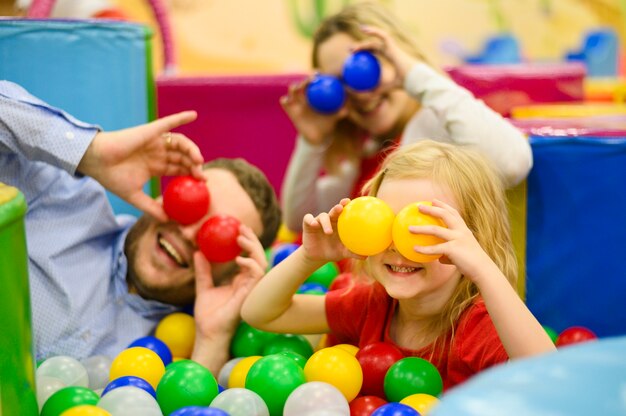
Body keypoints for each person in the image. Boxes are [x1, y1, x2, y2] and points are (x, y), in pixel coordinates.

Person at [0, 80, 281, 375]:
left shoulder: (179, 357)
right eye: (190, 203)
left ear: (230, 277)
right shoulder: (63, 202)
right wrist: (91, 151)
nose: (187, 234)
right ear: (164, 193)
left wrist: (213, 340)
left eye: (218, 238)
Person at [242, 140, 555, 391]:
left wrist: (484, 270)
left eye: (420, 228)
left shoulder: (478, 327)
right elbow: (260, 313)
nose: (395, 244)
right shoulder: (371, 305)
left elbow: (551, 378)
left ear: (470, 244)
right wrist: (309, 257)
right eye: (384, 224)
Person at [280, 1, 533, 233]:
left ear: (398, 58)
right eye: (336, 83)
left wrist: (413, 76)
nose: (359, 93)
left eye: (363, 66)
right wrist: (311, 142)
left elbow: (513, 162)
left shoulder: (440, 128)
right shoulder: (365, 157)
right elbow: (299, 220)